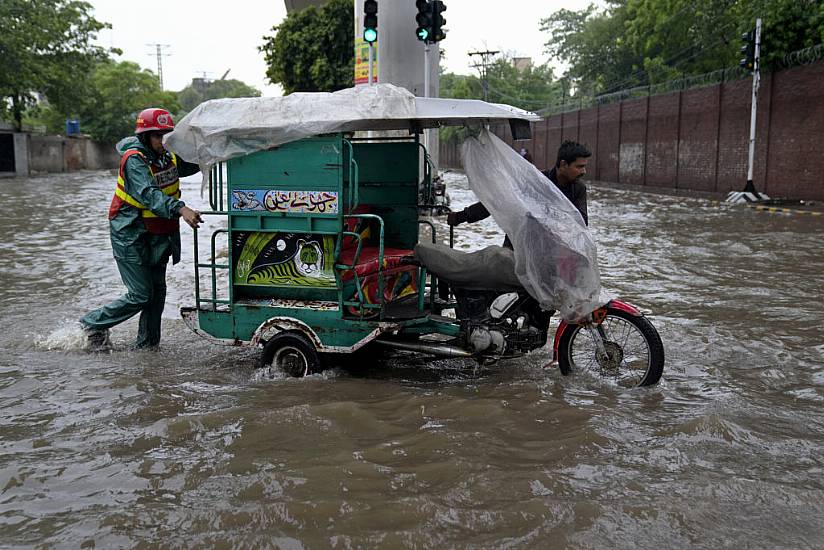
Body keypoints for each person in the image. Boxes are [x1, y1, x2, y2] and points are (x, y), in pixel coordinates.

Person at [79, 108, 203, 351]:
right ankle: (92, 324)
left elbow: (196, 162)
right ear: (146, 137)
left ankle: (147, 349)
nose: (163, 141)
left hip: (159, 233)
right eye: (158, 136)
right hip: (131, 233)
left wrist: (221, 152)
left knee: (157, 293)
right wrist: (181, 208)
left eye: (167, 136)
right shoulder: (134, 160)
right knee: (140, 294)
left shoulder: (168, 156)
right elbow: (149, 194)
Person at [447, 140, 591, 246]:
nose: (583, 172)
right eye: (579, 167)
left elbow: (581, 222)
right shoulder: (535, 182)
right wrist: (461, 216)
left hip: (553, 250)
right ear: (564, 164)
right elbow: (499, 201)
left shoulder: (578, 189)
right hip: (521, 244)